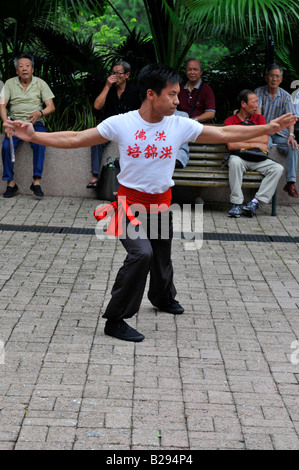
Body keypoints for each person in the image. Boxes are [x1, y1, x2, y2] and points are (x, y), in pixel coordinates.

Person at [4, 63, 296, 343]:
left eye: (178, 93)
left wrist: (268, 129)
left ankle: (162, 298)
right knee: (141, 254)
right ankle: (115, 319)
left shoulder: (179, 124)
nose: (177, 99)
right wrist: (35, 137)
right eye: (172, 93)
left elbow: (223, 132)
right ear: (151, 94)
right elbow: (77, 138)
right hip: (128, 206)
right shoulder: (122, 123)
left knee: (161, 257)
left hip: (160, 206)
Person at [0, 53, 55, 198]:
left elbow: (51, 106)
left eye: (27, 66)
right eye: (21, 66)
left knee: (40, 144)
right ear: (17, 71)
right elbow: (2, 105)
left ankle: (36, 182)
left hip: (34, 123)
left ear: (32, 69)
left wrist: (39, 113)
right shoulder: (10, 83)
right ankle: (11, 183)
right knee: (6, 147)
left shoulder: (40, 83)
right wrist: (7, 124)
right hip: (15, 124)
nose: (24, 69)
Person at [224, 89, 284, 218]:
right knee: (234, 161)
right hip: (240, 158)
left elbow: (264, 140)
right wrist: (254, 141)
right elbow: (231, 145)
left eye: (257, 101)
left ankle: (255, 202)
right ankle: (236, 204)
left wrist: (241, 139)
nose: (257, 105)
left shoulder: (259, 119)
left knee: (277, 168)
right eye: (254, 101)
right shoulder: (230, 121)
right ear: (243, 104)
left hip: (259, 158)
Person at [87, 61, 140, 189]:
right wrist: (107, 86)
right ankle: (94, 177)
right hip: (110, 126)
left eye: (118, 73)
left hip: (129, 127)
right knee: (96, 141)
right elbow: (97, 106)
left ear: (127, 75)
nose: (115, 76)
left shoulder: (135, 90)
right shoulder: (108, 88)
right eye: (113, 73)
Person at [255, 64, 298, 198]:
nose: (274, 79)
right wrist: (264, 130)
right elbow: (258, 114)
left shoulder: (285, 96)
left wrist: (291, 135)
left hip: (280, 134)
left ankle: (290, 182)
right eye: (272, 76)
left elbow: (291, 118)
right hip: (264, 132)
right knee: (264, 146)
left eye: (277, 76)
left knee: (292, 145)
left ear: (281, 79)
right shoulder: (259, 92)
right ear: (266, 77)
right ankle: (263, 180)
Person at [178, 58, 216, 122]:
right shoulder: (180, 88)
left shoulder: (206, 89)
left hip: (200, 127)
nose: (192, 72)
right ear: (186, 72)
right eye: (189, 69)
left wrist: (193, 120)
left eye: (195, 69)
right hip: (182, 125)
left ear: (201, 72)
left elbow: (211, 113)